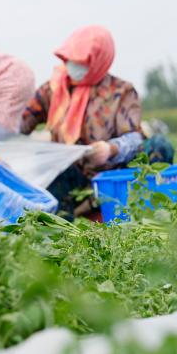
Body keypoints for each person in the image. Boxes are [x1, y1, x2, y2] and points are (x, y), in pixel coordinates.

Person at [19, 25, 146, 219]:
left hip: (108, 178)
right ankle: (58, 232)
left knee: (159, 147)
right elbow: (22, 123)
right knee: (55, 170)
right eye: (71, 60)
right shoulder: (54, 89)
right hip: (70, 176)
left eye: (82, 61)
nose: (73, 66)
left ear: (99, 60)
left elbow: (135, 138)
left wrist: (110, 149)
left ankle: (127, 213)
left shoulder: (121, 92)